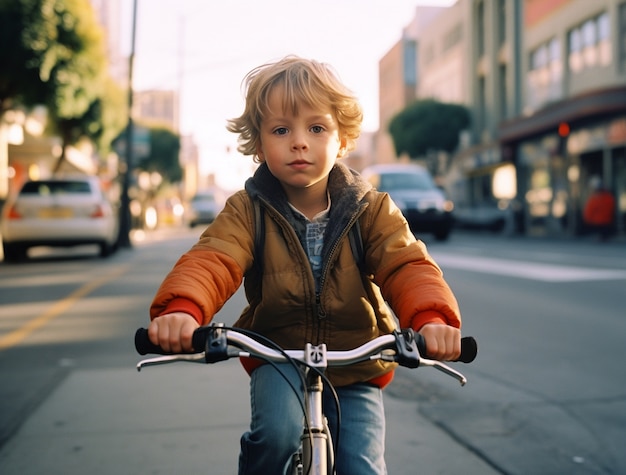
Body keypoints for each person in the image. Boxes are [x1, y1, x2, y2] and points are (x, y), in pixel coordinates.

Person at [147, 56, 463, 475]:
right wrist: (182, 310)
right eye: (281, 129)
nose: (299, 142)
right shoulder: (248, 210)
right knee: (275, 437)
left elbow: (407, 264)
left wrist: (431, 319)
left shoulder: (370, 208)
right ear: (258, 144)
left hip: (357, 359)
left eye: (316, 128)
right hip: (278, 353)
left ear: (343, 139)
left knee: (363, 466)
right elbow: (212, 259)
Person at [583, 176, 616, 241]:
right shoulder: (608, 197)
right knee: (603, 230)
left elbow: (590, 210)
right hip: (605, 219)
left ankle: (602, 236)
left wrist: (588, 218)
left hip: (600, 220)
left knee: (602, 230)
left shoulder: (596, 199)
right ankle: (603, 236)